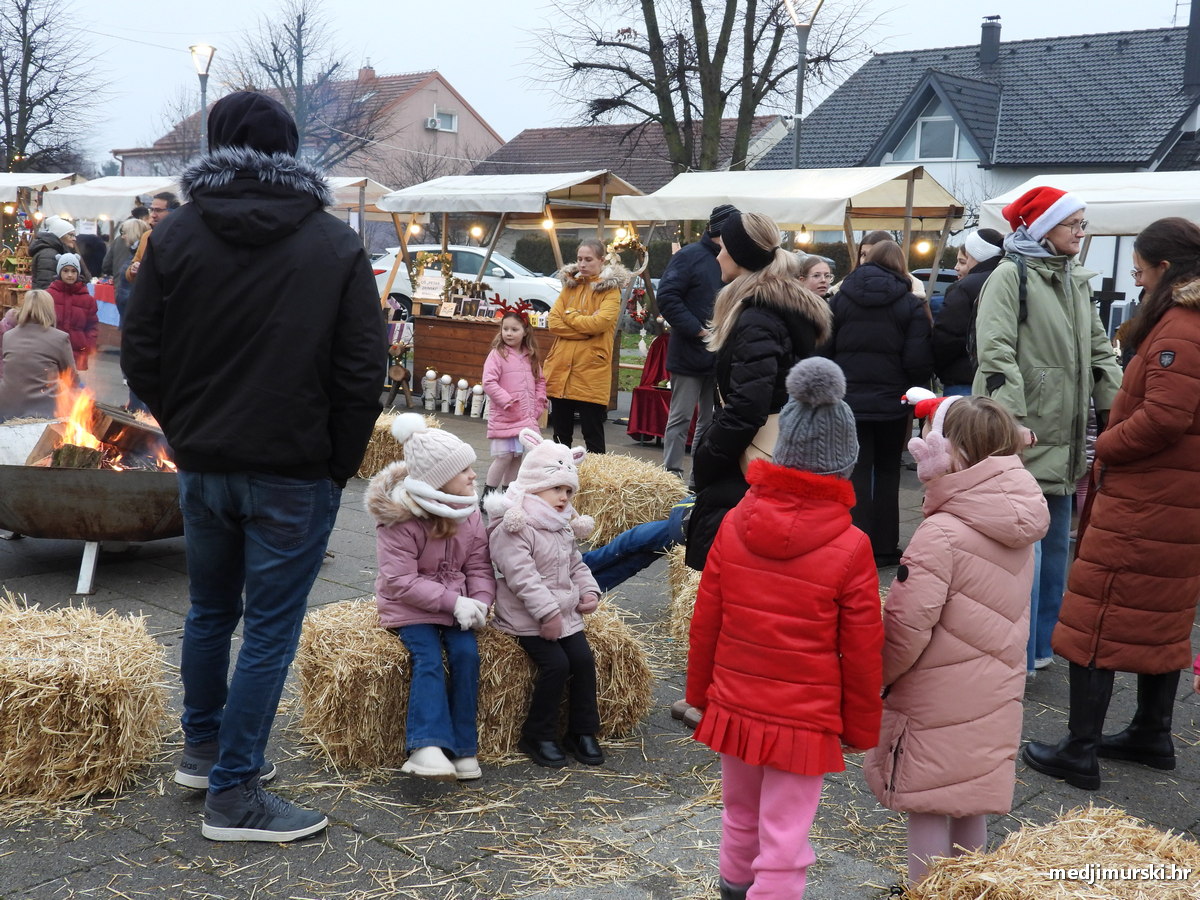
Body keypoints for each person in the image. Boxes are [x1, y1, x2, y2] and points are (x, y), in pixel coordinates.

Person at [122, 90, 386, 842]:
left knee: (211, 612)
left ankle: (206, 753)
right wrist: (336, 460)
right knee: (267, 628)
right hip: (292, 466)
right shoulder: (332, 243)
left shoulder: (174, 237)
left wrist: (189, 430)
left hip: (209, 462)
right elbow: (362, 367)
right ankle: (233, 793)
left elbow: (140, 352)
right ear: (291, 152)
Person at [686, 357, 883, 900]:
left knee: (739, 815)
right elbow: (864, 649)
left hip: (735, 706)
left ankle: (732, 889)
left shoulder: (733, 523)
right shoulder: (853, 547)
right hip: (804, 720)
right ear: (843, 464)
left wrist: (701, 694)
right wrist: (861, 727)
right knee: (786, 835)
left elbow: (707, 621)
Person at [1022, 217, 1200, 790]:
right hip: (1177, 501)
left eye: (1142, 267)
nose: (1135, 275)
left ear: (1166, 270)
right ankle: (1152, 734)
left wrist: (1107, 448)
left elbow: (1165, 417)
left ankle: (1080, 749)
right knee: (1161, 616)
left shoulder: (1179, 327)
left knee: (1094, 617)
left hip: (1147, 501)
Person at [863, 394, 1048, 886]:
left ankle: (925, 891)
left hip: (934, 696)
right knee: (969, 796)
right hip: (993, 689)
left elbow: (906, 628)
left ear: (952, 453)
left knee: (926, 801)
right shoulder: (1020, 520)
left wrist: (876, 677)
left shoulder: (940, 532)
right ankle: (969, 889)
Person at [973, 186, 1122, 674]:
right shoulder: (1009, 276)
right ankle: (1013, 651)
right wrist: (1010, 424)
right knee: (1024, 552)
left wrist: (1119, 411)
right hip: (1026, 436)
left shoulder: (1076, 281)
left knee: (1057, 548)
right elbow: (995, 353)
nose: (1082, 233)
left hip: (1067, 436)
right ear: (1041, 228)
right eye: (1072, 224)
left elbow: (1100, 353)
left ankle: (1040, 646)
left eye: (1082, 223)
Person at [685, 210, 831, 571]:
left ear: (739, 256)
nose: (717, 254)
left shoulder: (757, 317)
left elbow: (747, 407)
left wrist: (706, 457)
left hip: (747, 469)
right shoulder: (781, 308)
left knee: (730, 571)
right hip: (775, 457)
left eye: (723, 247)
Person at [366, 413, 494, 781]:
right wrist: (454, 602)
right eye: (464, 470)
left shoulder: (468, 513)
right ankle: (425, 746)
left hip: (458, 606)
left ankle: (464, 749)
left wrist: (482, 601)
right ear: (438, 481)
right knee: (427, 658)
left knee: (467, 655)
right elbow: (399, 581)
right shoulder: (401, 520)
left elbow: (480, 566)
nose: (474, 475)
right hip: (410, 608)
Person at [485, 429, 605, 769]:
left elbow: (575, 564)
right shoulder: (515, 525)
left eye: (568, 490)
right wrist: (547, 614)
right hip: (525, 618)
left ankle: (581, 731)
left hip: (562, 615)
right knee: (557, 665)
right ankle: (537, 734)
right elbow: (522, 577)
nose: (564, 497)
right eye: (557, 488)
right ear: (535, 485)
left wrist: (588, 590)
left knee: (583, 660)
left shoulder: (561, 524)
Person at [824, 239, 933, 567]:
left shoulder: (839, 301)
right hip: (892, 402)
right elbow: (917, 361)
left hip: (848, 400)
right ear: (900, 265)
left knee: (857, 468)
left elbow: (824, 351)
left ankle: (853, 544)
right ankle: (884, 547)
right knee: (888, 472)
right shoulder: (910, 305)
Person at [656, 204, 735, 481]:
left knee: (710, 419)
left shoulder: (736, 260)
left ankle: (697, 477)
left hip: (721, 354)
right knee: (681, 417)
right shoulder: (689, 256)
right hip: (690, 353)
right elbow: (666, 297)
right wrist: (699, 331)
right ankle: (671, 476)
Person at [543, 238, 628, 453]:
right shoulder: (570, 286)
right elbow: (553, 322)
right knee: (561, 435)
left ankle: (596, 480)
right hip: (562, 369)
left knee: (592, 433)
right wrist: (583, 327)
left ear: (601, 260)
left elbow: (600, 323)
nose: (582, 264)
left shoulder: (610, 290)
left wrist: (569, 315)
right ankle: (560, 477)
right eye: (579, 259)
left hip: (590, 371)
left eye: (588, 259)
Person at [481, 309, 546, 498]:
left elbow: (540, 381)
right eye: (505, 329)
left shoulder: (530, 355)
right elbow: (489, 382)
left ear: (525, 331)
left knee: (517, 457)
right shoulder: (497, 355)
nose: (509, 333)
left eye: (514, 329)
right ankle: (488, 497)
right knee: (504, 457)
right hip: (505, 414)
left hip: (525, 416)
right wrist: (506, 400)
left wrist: (539, 404)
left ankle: (509, 495)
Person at [931, 228, 1004, 395]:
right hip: (1002, 380)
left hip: (964, 379)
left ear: (975, 255)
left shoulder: (964, 288)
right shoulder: (1013, 280)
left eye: (965, 260)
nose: (957, 267)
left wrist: (941, 370)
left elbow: (946, 338)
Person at [0, 290, 77, 422]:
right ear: (50, 309)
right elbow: (71, 376)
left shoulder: (8, 336)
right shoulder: (60, 338)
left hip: (7, 407)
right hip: (45, 410)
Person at [831, 230, 926, 300]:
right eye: (863, 254)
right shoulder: (843, 287)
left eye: (873, 254)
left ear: (889, 256)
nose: (866, 260)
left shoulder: (914, 287)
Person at [46, 252, 98, 372]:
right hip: (52, 351)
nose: (70, 275)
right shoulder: (49, 295)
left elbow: (92, 326)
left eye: (73, 271)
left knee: (73, 388)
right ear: (59, 272)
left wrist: (88, 345)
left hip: (77, 352)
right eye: (65, 270)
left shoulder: (87, 300)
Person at [30, 216, 88, 289]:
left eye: (74, 235)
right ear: (60, 236)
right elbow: (46, 285)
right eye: (70, 235)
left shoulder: (54, 251)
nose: (74, 238)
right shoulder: (49, 254)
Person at [111, 218, 152, 321]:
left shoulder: (141, 251)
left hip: (134, 309)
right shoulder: (133, 251)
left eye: (124, 233)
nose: (123, 236)